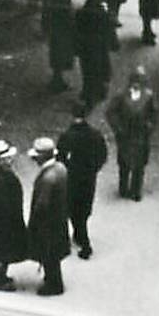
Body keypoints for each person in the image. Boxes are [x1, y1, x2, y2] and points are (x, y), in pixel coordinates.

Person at [56, 102, 107, 260]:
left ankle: (84, 242)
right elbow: (102, 154)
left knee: (71, 208)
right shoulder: (95, 134)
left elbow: (60, 157)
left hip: (71, 178)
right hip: (88, 177)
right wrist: (94, 169)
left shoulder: (67, 136)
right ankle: (80, 236)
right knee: (83, 209)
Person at [105, 65, 157, 201]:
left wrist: (149, 127)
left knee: (139, 165)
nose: (137, 84)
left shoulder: (148, 96)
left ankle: (136, 191)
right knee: (124, 163)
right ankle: (123, 188)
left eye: (140, 81)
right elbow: (111, 112)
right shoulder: (121, 95)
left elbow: (153, 114)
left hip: (141, 135)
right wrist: (118, 128)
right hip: (125, 135)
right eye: (135, 80)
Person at [26, 138, 69, 297]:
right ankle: (53, 280)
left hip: (47, 224)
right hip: (58, 220)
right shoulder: (61, 168)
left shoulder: (47, 178)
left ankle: (54, 285)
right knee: (54, 254)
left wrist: (34, 225)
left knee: (49, 255)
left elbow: (42, 205)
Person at [0, 140, 28, 291]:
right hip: (4, 223)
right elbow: (3, 204)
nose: (10, 160)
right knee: (1, 253)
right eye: (7, 158)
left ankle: (1, 276)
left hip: (3, 222)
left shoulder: (0, 174)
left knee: (2, 252)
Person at [73, 0, 112, 107]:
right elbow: (108, 29)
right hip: (99, 47)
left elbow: (76, 29)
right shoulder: (102, 13)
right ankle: (98, 91)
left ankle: (87, 92)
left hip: (85, 47)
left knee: (87, 71)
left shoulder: (81, 12)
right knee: (99, 69)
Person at [42, 0, 76, 91]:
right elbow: (67, 12)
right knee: (60, 56)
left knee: (57, 56)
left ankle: (57, 80)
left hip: (57, 30)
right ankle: (57, 81)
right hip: (62, 30)